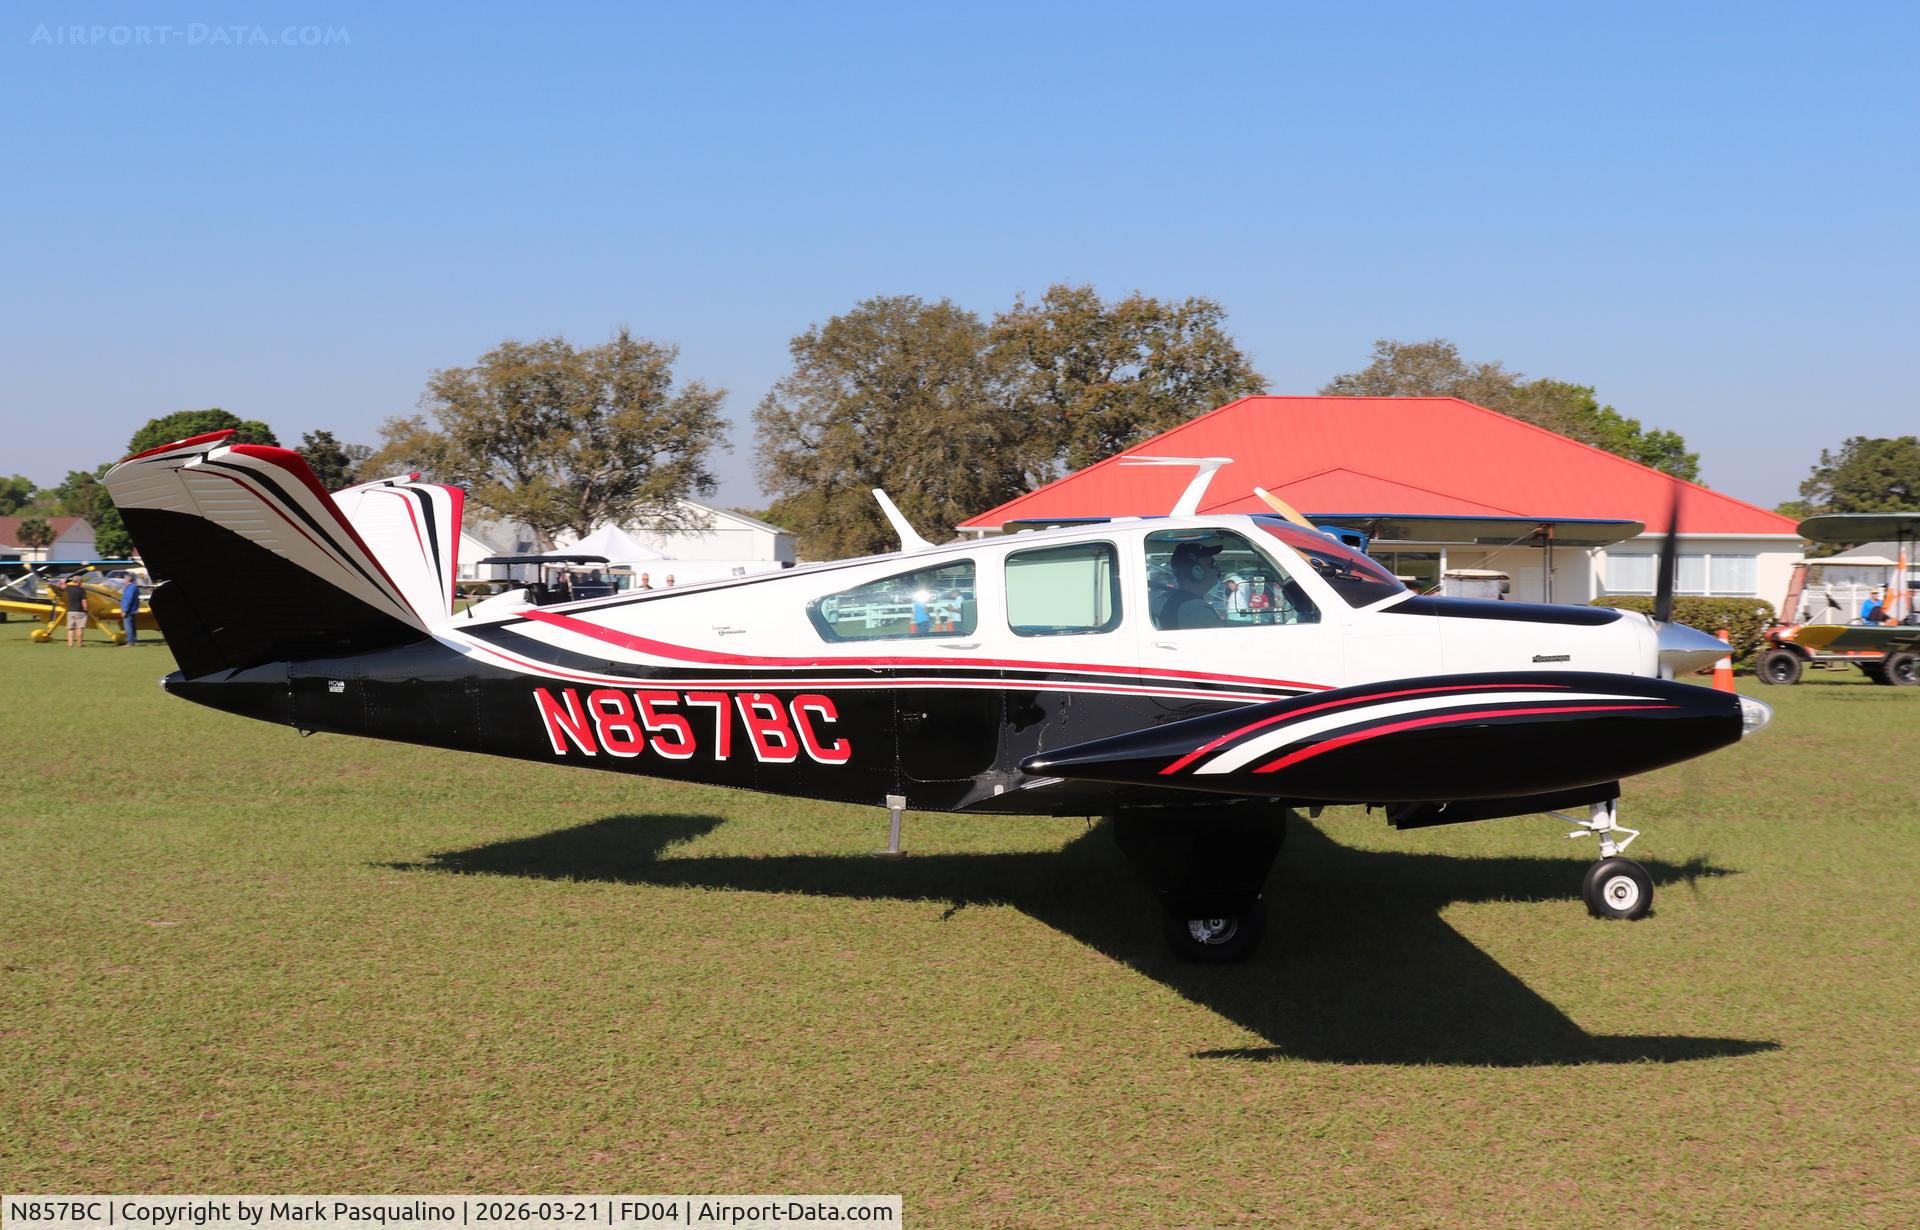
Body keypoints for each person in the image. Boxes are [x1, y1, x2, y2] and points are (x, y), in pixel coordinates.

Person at [1153, 542, 1226, 630]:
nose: (1218, 569)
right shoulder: (1197, 609)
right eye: (1212, 564)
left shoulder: (1169, 599)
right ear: (1196, 572)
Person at [61, 573, 88, 647]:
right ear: (79, 582)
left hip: (70, 611)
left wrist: (63, 581)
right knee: (79, 628)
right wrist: (86, 610)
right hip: (80, 611)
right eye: (81, 581)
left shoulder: (69, 588)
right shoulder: (82, 590)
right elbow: (84, 601)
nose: (82, 582)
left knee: (70, 628)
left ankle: (70, 644)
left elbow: (62, 586)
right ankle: (79, 644)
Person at [118, 572, 141, 646]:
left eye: (125, 578)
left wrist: (124, 610)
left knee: (128, 626)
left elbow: (128, 599)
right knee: (132, 626)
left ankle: (130, 642)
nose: (124, 580)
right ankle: (133, 641)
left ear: (129, 579)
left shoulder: (131, 587)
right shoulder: (133, 587)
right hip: (132, 609)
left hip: (129, 610)